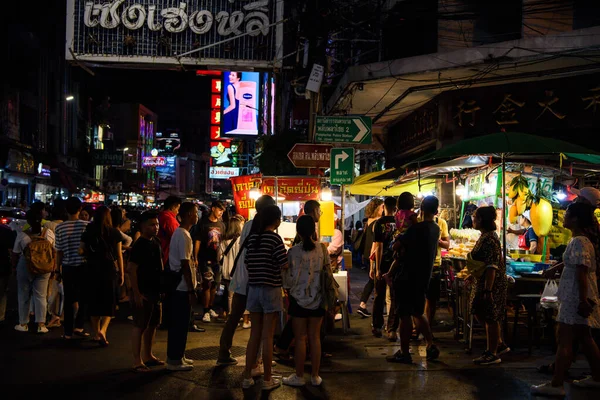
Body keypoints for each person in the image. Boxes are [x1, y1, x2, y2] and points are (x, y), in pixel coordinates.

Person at [531, 202, 600, 396]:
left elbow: (581, 271)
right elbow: (575, 263)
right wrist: (556, 268)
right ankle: (597, 377)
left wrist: (582, 300)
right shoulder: (581, 240)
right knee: (585, 339)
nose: (563, 217)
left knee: (564, 338)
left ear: (576, 219)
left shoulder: (579, 241)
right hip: (578, 296)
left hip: (575, 297)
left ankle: (556, 384)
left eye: (567, 214)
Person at [217, 195, 276, 367]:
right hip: (256, 280)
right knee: (260, 323)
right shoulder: (265, 228)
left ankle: (223, 352)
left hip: (242, 279)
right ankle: (258, 359)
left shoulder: (249, 225)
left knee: (234, 318)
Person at [386, 196, 441, 364]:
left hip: (407, 276)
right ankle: (431, 344)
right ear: (436, 211)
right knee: (418, 312)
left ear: (421, 209)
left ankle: (404, 352)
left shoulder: (417, 229)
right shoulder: (435, 229)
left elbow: (395, 246)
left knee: (404, 315)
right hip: (423, 277)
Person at [242, 205, 287, 391]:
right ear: (275, 220)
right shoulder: (275, 239)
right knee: (268, 336)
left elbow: (246, 262)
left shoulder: (252, 238)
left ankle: (247, 376)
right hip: (270, 290)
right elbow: (284, 264)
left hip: (253, 290)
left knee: (254, 335)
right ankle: (268, 379)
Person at [282, 215, 327, 387]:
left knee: (300, 338)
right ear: (313, 230)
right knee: (315, 337)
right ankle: (315, 376)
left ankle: (299, 376)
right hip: (317, 298)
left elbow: (287, 279)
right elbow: (327, 273)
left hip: (297, 300)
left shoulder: (292, 252)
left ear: (298, 232)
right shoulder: (322, 249)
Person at [468, 206, 509, 366]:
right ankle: (498, 343)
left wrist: (488, 289)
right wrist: (473, 275)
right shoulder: (485, 236)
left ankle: (492, 352)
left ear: (481, 220)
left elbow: (492, 266)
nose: (473, 220)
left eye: (475, 217)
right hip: (483, 280)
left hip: (492, 283)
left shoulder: (490, 239)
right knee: (480, 312)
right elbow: (483, 263)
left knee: (490, 315)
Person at [80, 206, 124, 346]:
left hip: (92, 269)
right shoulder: (114, 232)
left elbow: (80, 250)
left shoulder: (88, 231)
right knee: (109, 301)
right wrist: (122, 273)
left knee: (94, 301)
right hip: (109, 270)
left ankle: (96, 332)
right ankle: (103, 330)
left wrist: (87, 251)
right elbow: (119, 255)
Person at [128, 212, 164, 372]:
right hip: (143, 291)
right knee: (140, 325)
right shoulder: (139, 245)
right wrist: (136, 293)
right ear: (142, 226)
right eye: (152, 224)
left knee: (153, 324)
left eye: (157, 224)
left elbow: (160, 265)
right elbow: (131, 269)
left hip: (155, 291)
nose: (156, 227)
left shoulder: (155, 242)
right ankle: (137, 360)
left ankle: (148, 355)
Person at [166, 202, 199, 371]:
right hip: (181, 286)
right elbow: (185, 264)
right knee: (179, 323)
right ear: (187, 215)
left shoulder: (183, 233)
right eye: (194, 212)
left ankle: (179, 355)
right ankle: (174, 360)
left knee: (181, 323)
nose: (197, 215)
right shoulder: (183, 235)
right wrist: (191, 289)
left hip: (181, 285)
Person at [13, 208, 56, 333]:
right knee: (41, 295)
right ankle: (41, 325)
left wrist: (14, 267)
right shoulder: (49, 233)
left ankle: (23, 323)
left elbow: (16, 253)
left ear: (28, 221)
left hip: (25, 265)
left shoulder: (22, 235)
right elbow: (54, 250)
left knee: (23, 294)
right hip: (45, 267)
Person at [55, 197, 90, 339]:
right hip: (84, 266)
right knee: (84, 298)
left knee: (69, 299)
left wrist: (57, 270)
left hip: (68, 266)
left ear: (66, 210)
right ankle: (79, 326)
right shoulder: (86, 225)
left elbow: (59, 251)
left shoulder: (60, 227)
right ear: (80, 209)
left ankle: (67, 332)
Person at [193, 200, 227, 323]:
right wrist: (195, 257)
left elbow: (222, 242)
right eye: (219, 210)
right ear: (213, 209)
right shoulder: (203, 223)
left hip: (217, 260)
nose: (221, 213)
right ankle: (205, 311)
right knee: (207, 284)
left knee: (215, 286)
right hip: (205, 259)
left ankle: (211, 307)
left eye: (222, 211)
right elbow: (198, 241)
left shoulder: (222, 225)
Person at [371, 197, 397, 339]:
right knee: (394, 297)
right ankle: (392, 329)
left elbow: (378, 247)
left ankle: (377, 327)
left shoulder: (379, 223)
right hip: (396, 264)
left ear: (384, 206)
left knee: (379, 296)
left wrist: (377, 268)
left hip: (383, 264)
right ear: (395, 207)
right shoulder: (400, 223)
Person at [357, 198, 384, 318]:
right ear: (377, 208)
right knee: (374, 280)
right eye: (382, 207)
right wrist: (374, 260)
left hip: (368, 254)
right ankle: (364, 305)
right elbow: (375, 243)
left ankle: (363, 305)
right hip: (373, 255)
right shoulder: (377, 222)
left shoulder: (369, 221)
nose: (383, 209)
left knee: (372, 281)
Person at [218, 214, 245, 317]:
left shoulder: (223, 241)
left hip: (227, 272)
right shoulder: (240, 241)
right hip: (238, 271)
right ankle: (240, 315)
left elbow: (218, 258)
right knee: (241, 294)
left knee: (230, 295)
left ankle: (231, 315)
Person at [158, 196, 182, 266]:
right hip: (167, 254)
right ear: (173, 207)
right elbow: (177, 238)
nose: (178, 212)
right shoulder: (169, 219)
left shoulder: (162, 216)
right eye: (178, 208)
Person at [0, 224, 16, 325]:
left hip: (3, 265)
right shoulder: (6, 230)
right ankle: (1, 316)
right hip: (3, 265)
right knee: (2, 292)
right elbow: (12, 249)